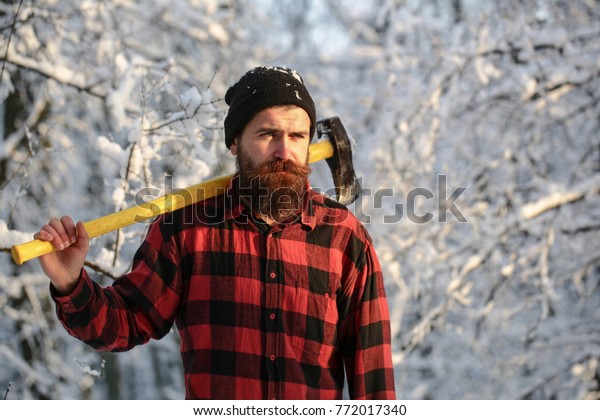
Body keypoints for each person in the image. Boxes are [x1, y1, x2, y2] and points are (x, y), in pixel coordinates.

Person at [34, 66, 396, 399]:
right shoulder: (187, 230)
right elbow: (125, 323)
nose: (284, 151)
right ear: (235, 142)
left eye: (297, 135)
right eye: (268, 134)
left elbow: (374, 377)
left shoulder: (343, 238)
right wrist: (71, 285)